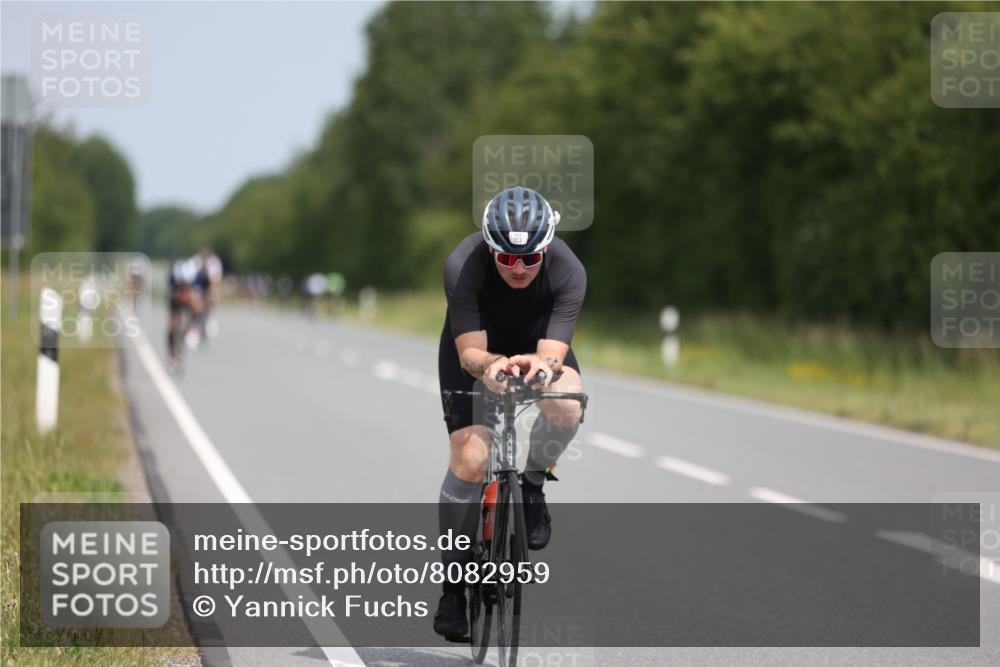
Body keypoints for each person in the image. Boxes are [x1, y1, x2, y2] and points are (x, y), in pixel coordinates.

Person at [433, 186, 587, 639]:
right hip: (475, 352)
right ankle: (453, 588)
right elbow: (470, 356)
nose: (518, 268)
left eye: (529, 259)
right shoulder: (463, 265)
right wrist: (491, 366)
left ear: (546, 248)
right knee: (471, 459)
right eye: (505, 259)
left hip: (537, 346)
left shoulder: (569, 269)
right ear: (489, 246)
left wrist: (542, 366)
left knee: (568, 401)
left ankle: (534, 485)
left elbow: (554, 352)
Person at [167, 257, 205, 363]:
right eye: (182, 284)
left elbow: (199, 299)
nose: (184, 286)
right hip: (175, 299)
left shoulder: (198, 278)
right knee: (172, 326)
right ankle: (171, 354)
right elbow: (171, 300)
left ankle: (193, 328)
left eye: (186, 285)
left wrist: (193, 301)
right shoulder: (173, 278)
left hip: (190, 299)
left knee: (197, 305)